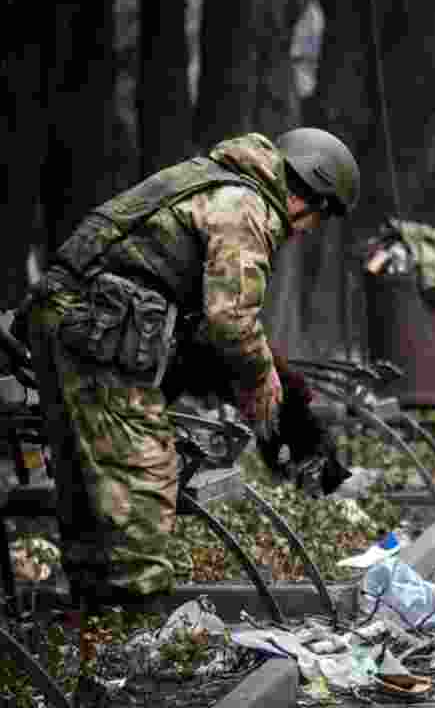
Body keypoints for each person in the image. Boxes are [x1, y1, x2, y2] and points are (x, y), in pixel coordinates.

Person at [24, 128, 359, 614]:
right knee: (141, 476)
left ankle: (96, 624)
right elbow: (231, 320)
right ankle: (133, 630)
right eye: (319, 216)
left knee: (90, 488)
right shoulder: (246, 207)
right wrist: (259, 377)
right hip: (97, 333)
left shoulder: (219, 181)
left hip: (75, 324)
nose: (308, 230)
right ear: (308, 190)